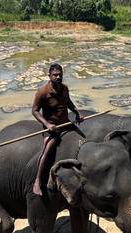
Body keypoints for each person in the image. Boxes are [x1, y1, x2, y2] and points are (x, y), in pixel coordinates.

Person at [31, 63, 83, 196]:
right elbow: (35, 111)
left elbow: (68, 102)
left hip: (65, 123)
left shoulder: (64, 88)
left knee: (83, 137)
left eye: (60, 75)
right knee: (48, 149)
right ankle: (37, 181)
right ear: (49, 76)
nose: (58, 77)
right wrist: (47, 125)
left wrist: (77, 112)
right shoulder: (42, 92)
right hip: (52, 127)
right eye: (55, 75)